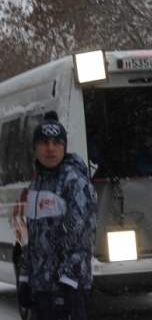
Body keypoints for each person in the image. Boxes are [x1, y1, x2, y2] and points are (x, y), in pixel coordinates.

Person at [17, 111, 98, 320]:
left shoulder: (76, 184)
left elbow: (80, 243)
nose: (50, 148)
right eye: (44, 142)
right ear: (35, 147)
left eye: (56, 142)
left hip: (69, 291)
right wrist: (25, 278)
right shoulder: (36, 185)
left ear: (64, 146)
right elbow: (34, 239)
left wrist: (67, 286)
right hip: (42, 289)